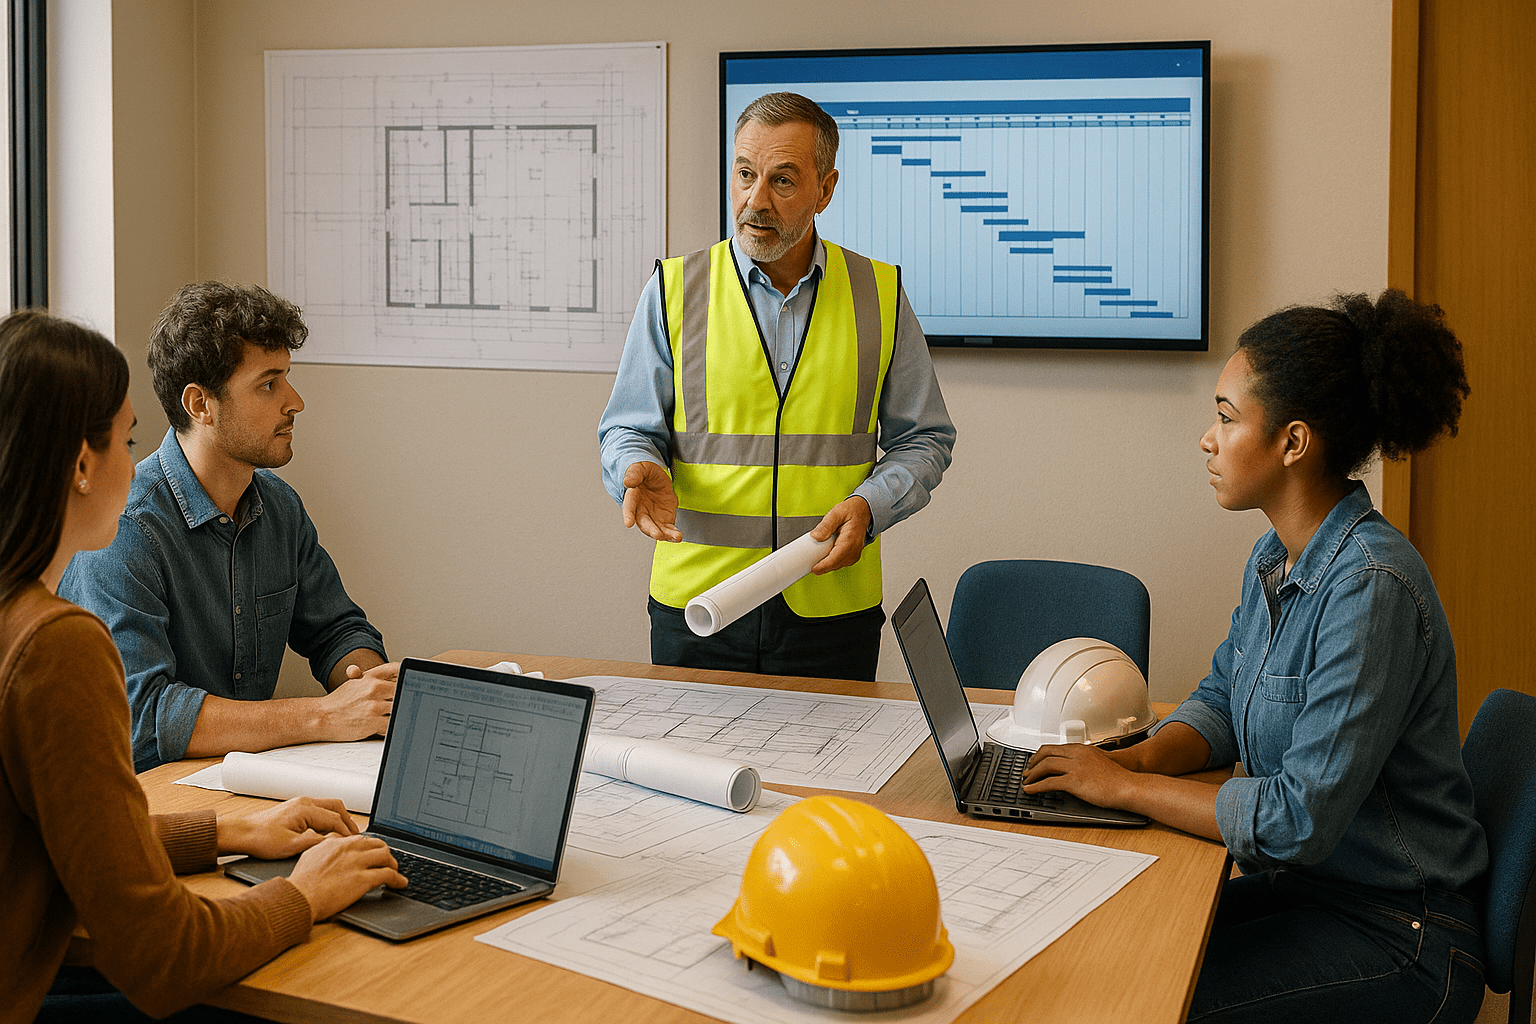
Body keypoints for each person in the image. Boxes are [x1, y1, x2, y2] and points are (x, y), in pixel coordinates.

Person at [1022, 289, 1487, 1023]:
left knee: (1141, 1002)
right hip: (1317, 894)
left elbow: (1297, 818)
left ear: (1292, 443)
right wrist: (1129, 763)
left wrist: (1124, 791)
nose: (1207, 439)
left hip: (1405, 935)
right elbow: (1218, 703)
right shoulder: (1277, 555)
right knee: (1113, 944)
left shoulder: (1370, 587)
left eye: (1226, 417)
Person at [0, 310, 408, 1023]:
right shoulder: (55, 644)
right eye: (125, 440)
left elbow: (64, 832)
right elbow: (166, 957)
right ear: (82, 465)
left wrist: (228, 832)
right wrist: (304, 894)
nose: (137, 461)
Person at [598, 91, 955, 681]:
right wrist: (633, 463)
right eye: (744, 174)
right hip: (699, 605)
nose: (754, 201)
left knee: (829, 776)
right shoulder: (673, 289)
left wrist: (872, 505)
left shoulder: (878, 294)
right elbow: (626, 428)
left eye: (782, 181)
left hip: (831, 606)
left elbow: (927, 439)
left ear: (826, 188)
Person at [61, 282, 396, 773]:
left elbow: (337, 630)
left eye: (287, 378)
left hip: (241, 785)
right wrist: (324, 715)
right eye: (268, 383)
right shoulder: (126, 529)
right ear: (200, 405)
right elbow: (144, 717)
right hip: (152, 796)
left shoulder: (279, 506)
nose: (295, 401)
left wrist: (371, 691)